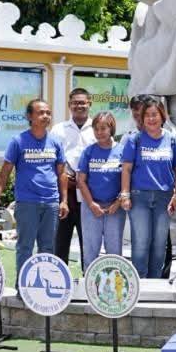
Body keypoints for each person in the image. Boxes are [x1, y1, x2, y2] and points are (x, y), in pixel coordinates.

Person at [0, 99, 67, 272]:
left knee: (48, 247)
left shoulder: (56, 142)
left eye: (48, 113)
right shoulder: (18, 141)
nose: (46, 116)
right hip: (27, 202)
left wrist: (64, 201)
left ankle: (44, 285)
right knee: (25, 247)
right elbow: (5, 172)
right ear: (29, 116)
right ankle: (22, 285)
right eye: (41, 113)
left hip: (51, 203)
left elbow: (61, 173)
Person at [120, 96, 176, 278]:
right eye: (147, 115)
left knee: (159, 244)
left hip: (164, 198)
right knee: (141, 242)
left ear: (162, 116)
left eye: (154, 114)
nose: (151, 118)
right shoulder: (134, 140)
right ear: (142, 118)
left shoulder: (173, 140)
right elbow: (126, 169)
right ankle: (140, 282)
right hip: (139, 197)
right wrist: (125, 194)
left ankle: (155, 281)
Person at [49, 88, 94, 267]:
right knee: (60, 241)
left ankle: (87, 278)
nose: (79, 106)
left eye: (82, 102)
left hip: (89, 194)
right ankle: (58, 278)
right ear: (69, 105)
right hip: (64, 194)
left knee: (88, 243)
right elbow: (51, 158)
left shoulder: (98, 127)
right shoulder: (58, 129)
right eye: (75, 103)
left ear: (89, 104)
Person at [76, 112, 126, 265]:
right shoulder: (88, 151)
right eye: (96, 129)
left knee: (114, 251)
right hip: (91, 207)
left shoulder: (123, 151)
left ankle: (115, 278)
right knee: (90, 250)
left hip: (115, 208)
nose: (99, 132)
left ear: (111, 128)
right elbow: (81, 180)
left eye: (103, 128)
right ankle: (88, 279)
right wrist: (91, 204)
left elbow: (127, 180)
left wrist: (117, 203)